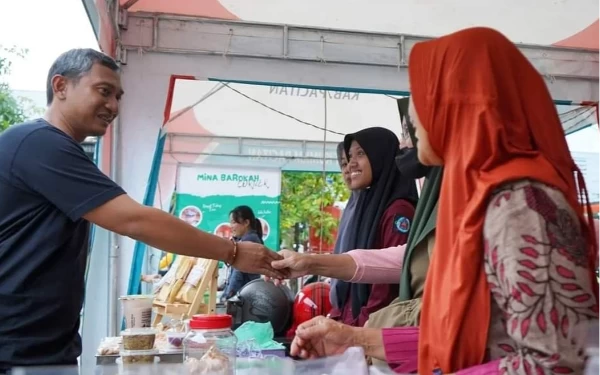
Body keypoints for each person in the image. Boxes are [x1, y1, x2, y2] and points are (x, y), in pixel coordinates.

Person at [290, 27, 600, 374]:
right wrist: (355, 339)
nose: (412, 119)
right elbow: (475, 341)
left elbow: (555, 361)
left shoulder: (521, 204)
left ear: (463, 100)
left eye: (423, 95)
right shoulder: (485, 195)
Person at [0, 49, 285, 372]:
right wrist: (231, 251)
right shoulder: (39, 144)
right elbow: (134, 220)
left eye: (118, 97)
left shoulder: (52, 148)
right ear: (61, 86)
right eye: (104, 91)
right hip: (17, 352)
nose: (113, 106)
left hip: (41, 348)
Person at [328, 127, 418, 327]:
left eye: (360, 154)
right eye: (350, 156)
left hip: (375, 329)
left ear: (380, 156)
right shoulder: (366, 207)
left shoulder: (398, 211)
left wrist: (355, 331)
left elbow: (386, 286)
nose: (351, 164)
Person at [221, 205, 264, 301]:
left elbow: (238, 272)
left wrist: (229, 294)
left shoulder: (248, 241)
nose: (231, 226)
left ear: (246, 223)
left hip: (242, 296)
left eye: (233, 222)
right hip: (246, 293)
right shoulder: (247, 239)